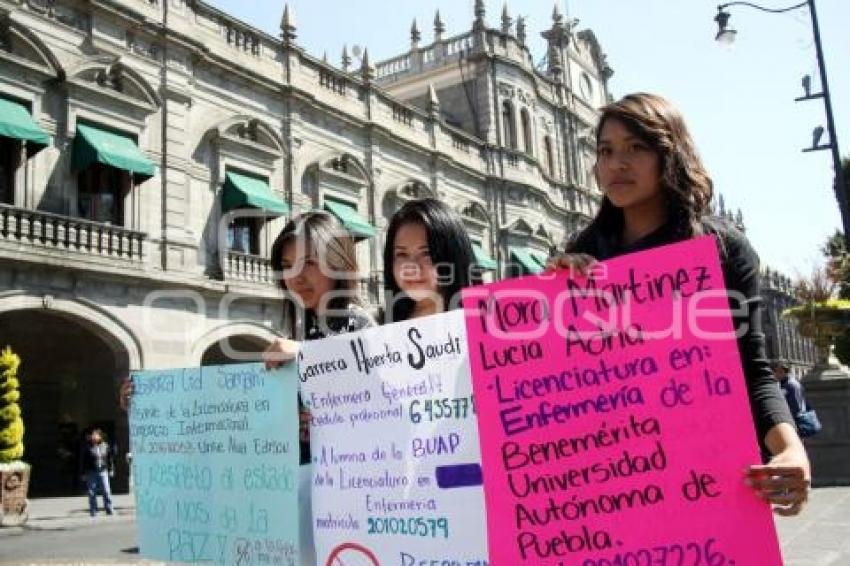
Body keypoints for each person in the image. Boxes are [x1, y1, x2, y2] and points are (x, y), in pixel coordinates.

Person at [550, 92, 810, 516]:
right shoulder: (585, 252)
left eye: (636, 148)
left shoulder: (722, 249)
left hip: (703, 479)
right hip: (615, 483)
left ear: (669, 155)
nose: (616, 163)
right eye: (605, 150)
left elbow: (752, 371)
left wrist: (791, 451)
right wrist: (556, 290)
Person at [262, 211, 375, 566]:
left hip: (353, 498)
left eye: (309, 262)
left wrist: (305, 355)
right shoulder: (309, 324)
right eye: (286, 264)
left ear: (338, 261)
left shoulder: (358, 322)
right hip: (313, 493)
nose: (296, 276)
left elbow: (382, 411)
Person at [383, 198, 479, 322]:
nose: (411, 268)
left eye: (426, 253)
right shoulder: (375, 327)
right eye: (401, 254)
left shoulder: (486, 320)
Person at [79, 428, 114, 517]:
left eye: (96, 435)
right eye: (92, 436)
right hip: (91, 472)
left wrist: (111, 469)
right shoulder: (87, 447)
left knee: (106, 490)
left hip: (103, 471)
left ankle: (109, 509)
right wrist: (83, 473)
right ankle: (93, 510)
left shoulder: (105, 446)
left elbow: (109, 459)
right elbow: (83, 461)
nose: (94, 437)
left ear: (100, 436)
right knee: (92, 491)